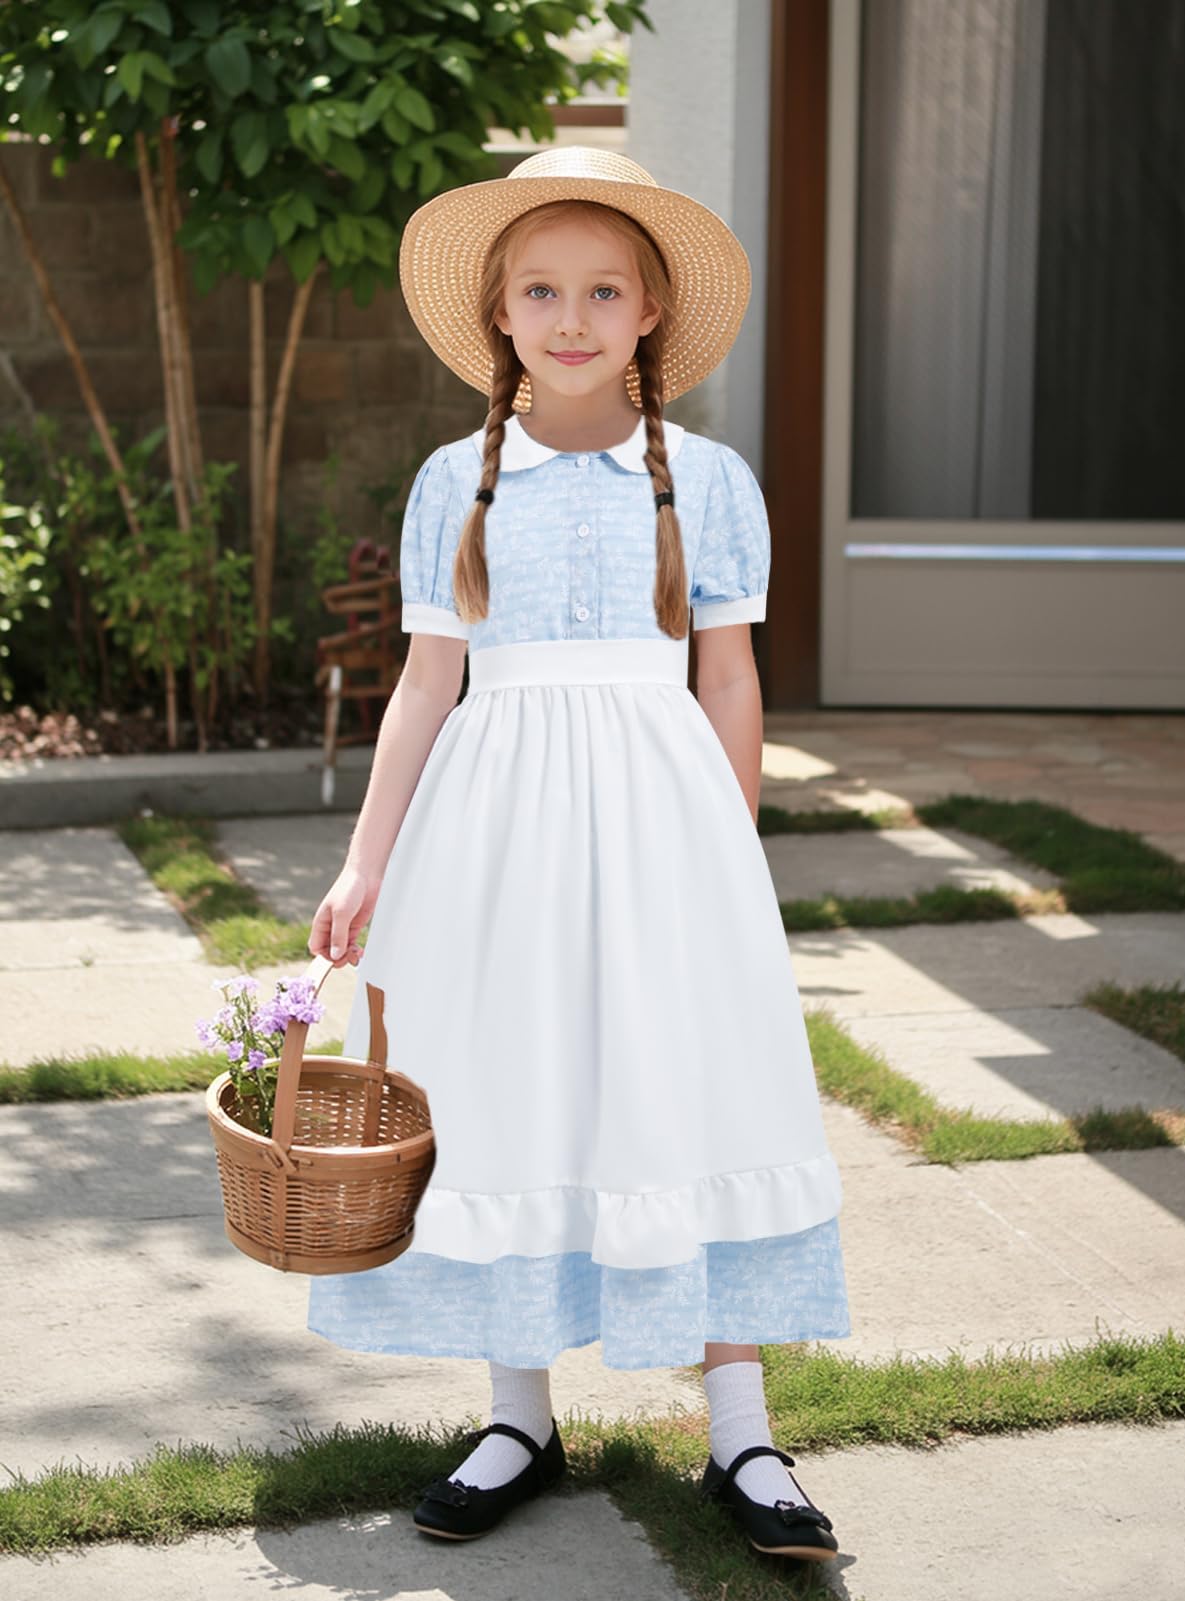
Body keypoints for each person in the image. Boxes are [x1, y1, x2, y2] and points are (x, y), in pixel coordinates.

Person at [306, 146, 851, 1563]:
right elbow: (427, 684)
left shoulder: (711, 480)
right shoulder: (454, 480)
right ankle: (514, 1410)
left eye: (602, 289)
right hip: (494, 833)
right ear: (496, 310)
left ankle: (742, 1420)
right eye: (539, 288)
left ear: (650, 308)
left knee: (696, 1084)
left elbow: (726, 679)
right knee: (507, 1082)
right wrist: (366, 865)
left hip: (664, 828)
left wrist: (729, 852)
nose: (569, 315)